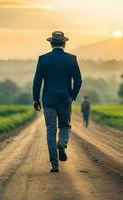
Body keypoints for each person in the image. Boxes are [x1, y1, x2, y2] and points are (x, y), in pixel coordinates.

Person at [32, 31, 82, 173]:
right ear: (64, 43)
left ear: (51, 43)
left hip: (48, 100)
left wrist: (35, 99)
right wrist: (72, 95)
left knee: (51, 131)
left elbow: (37, 80)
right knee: (65, 126)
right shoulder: (71, 59)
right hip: (65, 99)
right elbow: (78, 80)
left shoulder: (43, 59)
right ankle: (62, 143)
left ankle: (54, 164)